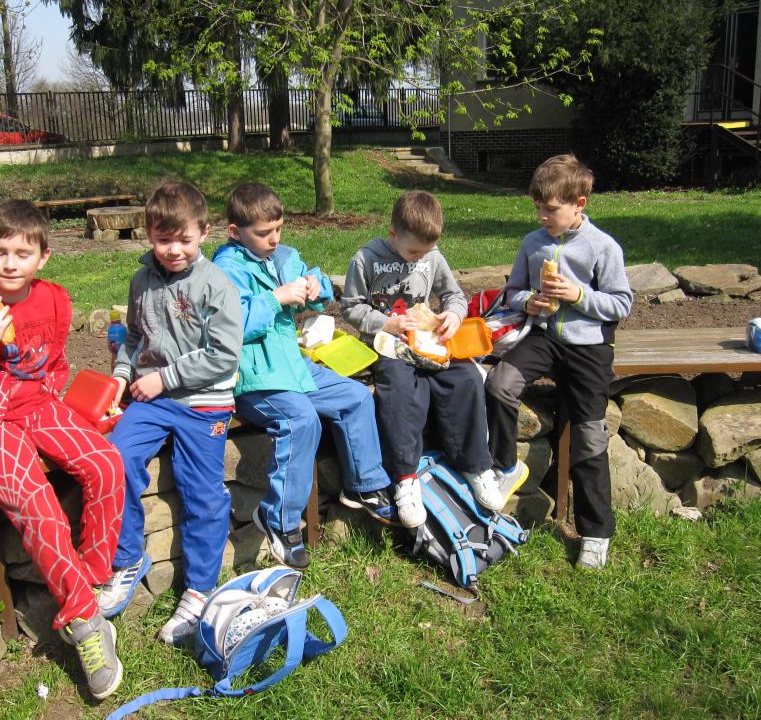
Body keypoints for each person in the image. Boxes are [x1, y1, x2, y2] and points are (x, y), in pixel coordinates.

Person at [0, 199, 125, 700]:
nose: (11, 263)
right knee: (38, 506)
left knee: (105, 463)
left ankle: (92, 582)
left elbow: (54, 363)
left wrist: (52, 402)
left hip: (39, 405)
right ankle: (84, 621)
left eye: (23, 253)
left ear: (44, 256)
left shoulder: (53, 299)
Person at [212, 182, 396, 569]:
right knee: (300, 420)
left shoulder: (283, 255)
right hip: (255, 376)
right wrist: (275, 298)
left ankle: (364, 485)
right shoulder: (226, 269)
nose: (274, 239)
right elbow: (231, 326)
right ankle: (279, 520)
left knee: (355, 397)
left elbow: (319, 287)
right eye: (264, 233)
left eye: (279, 229)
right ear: (235, 232)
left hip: (292, 366)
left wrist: (316, 287)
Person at [96, 181, 243, 646]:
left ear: (204, 232)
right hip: (153, 399)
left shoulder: (217, 285)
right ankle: (127, 559)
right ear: (149, 235)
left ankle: (200, 590)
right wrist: (122, 375)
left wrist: (166, 378)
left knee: (203, 493)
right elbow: (134, 336)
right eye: (163, 240)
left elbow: (225, 355)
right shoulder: (141, 280)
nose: (174, 249)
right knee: (114, 458)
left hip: (203, 402)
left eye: (184, 239)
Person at [480, 154, 633, 569]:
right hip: (545, 338)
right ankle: (504, 467)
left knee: (588, 435)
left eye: (550, 209)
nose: (542, 216)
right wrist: (529, 301)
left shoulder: (603, 247)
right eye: (538, 208)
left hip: (589, 349)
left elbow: (621, 304)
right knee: (499, 383)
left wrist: (578, 295)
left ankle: (595, 532)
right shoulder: (533, 243)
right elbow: (511, 292)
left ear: (579, 204)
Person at [341, 190, 493, 528]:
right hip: (387, 345)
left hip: (427, 345)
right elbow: (350, 308)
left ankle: (475, 466)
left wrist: (454, 315)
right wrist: (387, 323)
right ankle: (405, 478)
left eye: (425, 253)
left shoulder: (431, 255)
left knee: (467, 379)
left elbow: (455, 295)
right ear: (393, 234)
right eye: (413, 252)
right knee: (400, 388)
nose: (418, 259)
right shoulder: (366, 259)